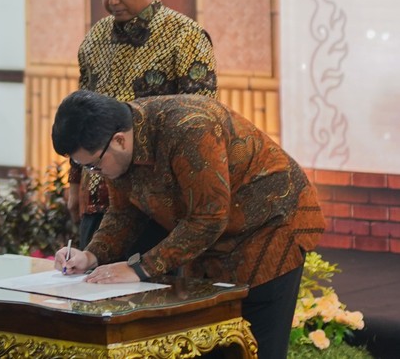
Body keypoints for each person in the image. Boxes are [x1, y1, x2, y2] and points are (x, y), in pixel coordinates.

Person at [52, 90, 326, 359]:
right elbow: (124, 212)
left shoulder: (191, 128)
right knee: (206, 342)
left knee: (255, 347)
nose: (95, 173)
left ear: (119, 141)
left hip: (268, 229)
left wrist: (139, 268)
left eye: (94, 166)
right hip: (211, 242)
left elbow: (208, 218)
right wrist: (91, 255)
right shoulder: (117, 145)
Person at [68, 0, 217, 251]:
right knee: (91, 277)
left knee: (149, 280)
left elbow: (203, 125)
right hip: (100, 198)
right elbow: (83, 119)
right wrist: (75, 181)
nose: (112, 0)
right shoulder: (94, 40)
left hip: (158, 205)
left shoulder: (185, 37)